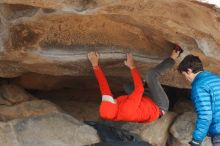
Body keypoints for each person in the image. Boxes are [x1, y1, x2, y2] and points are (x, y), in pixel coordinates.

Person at [88, 46, 181, 123]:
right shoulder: (126, 110)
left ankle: (147, 84)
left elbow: (104, 87)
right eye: (113, 101)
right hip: (159, 105)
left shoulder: (110, 108)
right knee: (151, 75)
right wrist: (132, 66)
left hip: (145, 101)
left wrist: (95, 65)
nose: (114, 99)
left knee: (127, 87)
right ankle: (173, 58)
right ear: (115, 107)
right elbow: (139, 89)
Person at [177, 55, 220, 146]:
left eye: (184, 75)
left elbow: (205, 114)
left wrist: (196, 139)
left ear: (189, 71)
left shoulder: (199, 85)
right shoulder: (217, 79)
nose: (186, 79)